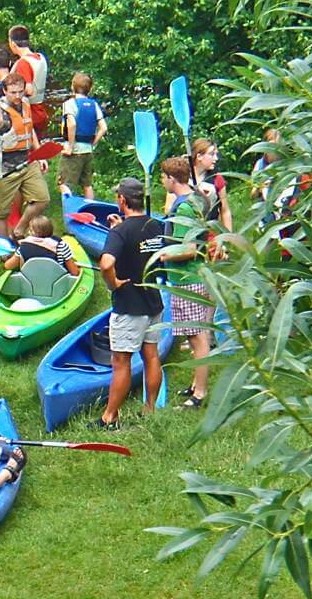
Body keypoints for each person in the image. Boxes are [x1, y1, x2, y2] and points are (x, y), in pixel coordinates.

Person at [99, 178, 166, 428]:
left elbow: (106, 263)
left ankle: (110, 417)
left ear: (122, 201)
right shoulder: (155, 224)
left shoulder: (120, 232)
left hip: (129, 306)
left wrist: (112, 282)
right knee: (151, 356)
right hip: (153, 300)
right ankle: (149, 409)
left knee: (121, 361)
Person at [160, 157, 214, 408]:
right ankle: (195, 384)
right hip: (195, 276)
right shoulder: (196, 197)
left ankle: (200, 393)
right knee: (197, 335)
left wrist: (162, 255)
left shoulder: (183, 208)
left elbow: (189, 249)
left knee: (197, 338)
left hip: (187, 278)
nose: (162, 182)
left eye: (163, 177)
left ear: (172, 179)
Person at [0, 72, 49, 239]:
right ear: (5, 91)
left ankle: (19, 229)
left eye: (21, 91)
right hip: (3, 167)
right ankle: (4, 252)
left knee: (42, 198)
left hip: (27, 162)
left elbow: (29, 131)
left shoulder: (26, 104)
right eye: (13, 92)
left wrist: (40, 154)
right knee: (0, 213)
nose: (17, 96)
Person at [59, 72, 107, 198]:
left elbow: (72, 124)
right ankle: (90, 210)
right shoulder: (94, 105)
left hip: (74, 150)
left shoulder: (70, 104)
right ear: (90, 89)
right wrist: (94, 142)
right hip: (87, 150)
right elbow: (103, 128)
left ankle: (68, 211)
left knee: (64, 183)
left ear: (72, 87)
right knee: (87, 184)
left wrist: (70, 146)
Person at [176, 138, 233, 231]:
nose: (216, 158)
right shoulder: (181, 176)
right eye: (211, 154)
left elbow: (225, 210)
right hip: (184, 232)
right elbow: (169, 208)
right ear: (199, 156)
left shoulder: (217, 179)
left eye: (216, 154)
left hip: (209, 233)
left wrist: (227, 237)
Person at [2, 215, 82, 278]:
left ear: (33, 232)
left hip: (31, 282)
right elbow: (74, 272)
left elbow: (8, 266)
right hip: (58, 280)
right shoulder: (61, 245)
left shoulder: (23, 247)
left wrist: (11, 257)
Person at [8, 25, 51, 133]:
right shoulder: (41, 57)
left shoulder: (23, 63)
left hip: (31, 114)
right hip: (41, 110)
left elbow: (29, 90)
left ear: (13, 43)